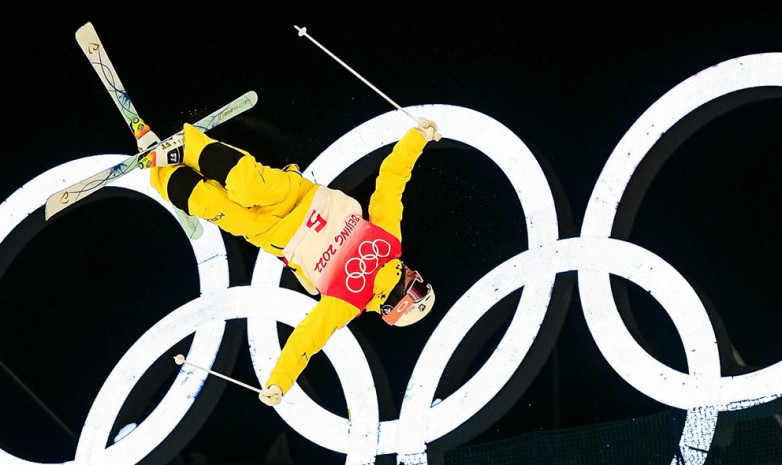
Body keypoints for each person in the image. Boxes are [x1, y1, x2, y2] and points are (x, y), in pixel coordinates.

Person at [147, 117, 441, 406]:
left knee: (216, 207)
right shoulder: (389, 243)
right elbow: (391, 182)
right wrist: (416, 139)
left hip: (275, 235)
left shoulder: (349, 302)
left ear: (399, 305)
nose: (414, 276)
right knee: (249, 186)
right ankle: (190, 147)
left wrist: (279, 382)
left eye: (417, 288)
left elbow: (306, 340)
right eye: (421, 282)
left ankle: (161, 172)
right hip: (300, 198)